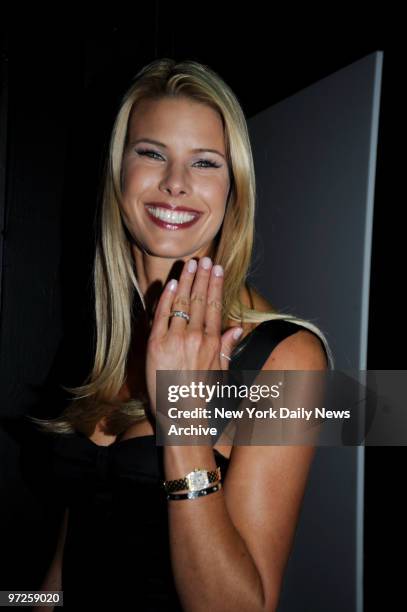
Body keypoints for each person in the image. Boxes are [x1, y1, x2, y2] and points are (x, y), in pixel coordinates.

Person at [27, 57, 334, 611]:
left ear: (233, 188)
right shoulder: (107, 338)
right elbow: (63, 572)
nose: (175, 184)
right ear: (118, 172)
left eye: (205, 163)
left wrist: (185, 419)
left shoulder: (286, 358)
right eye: (151, 153)